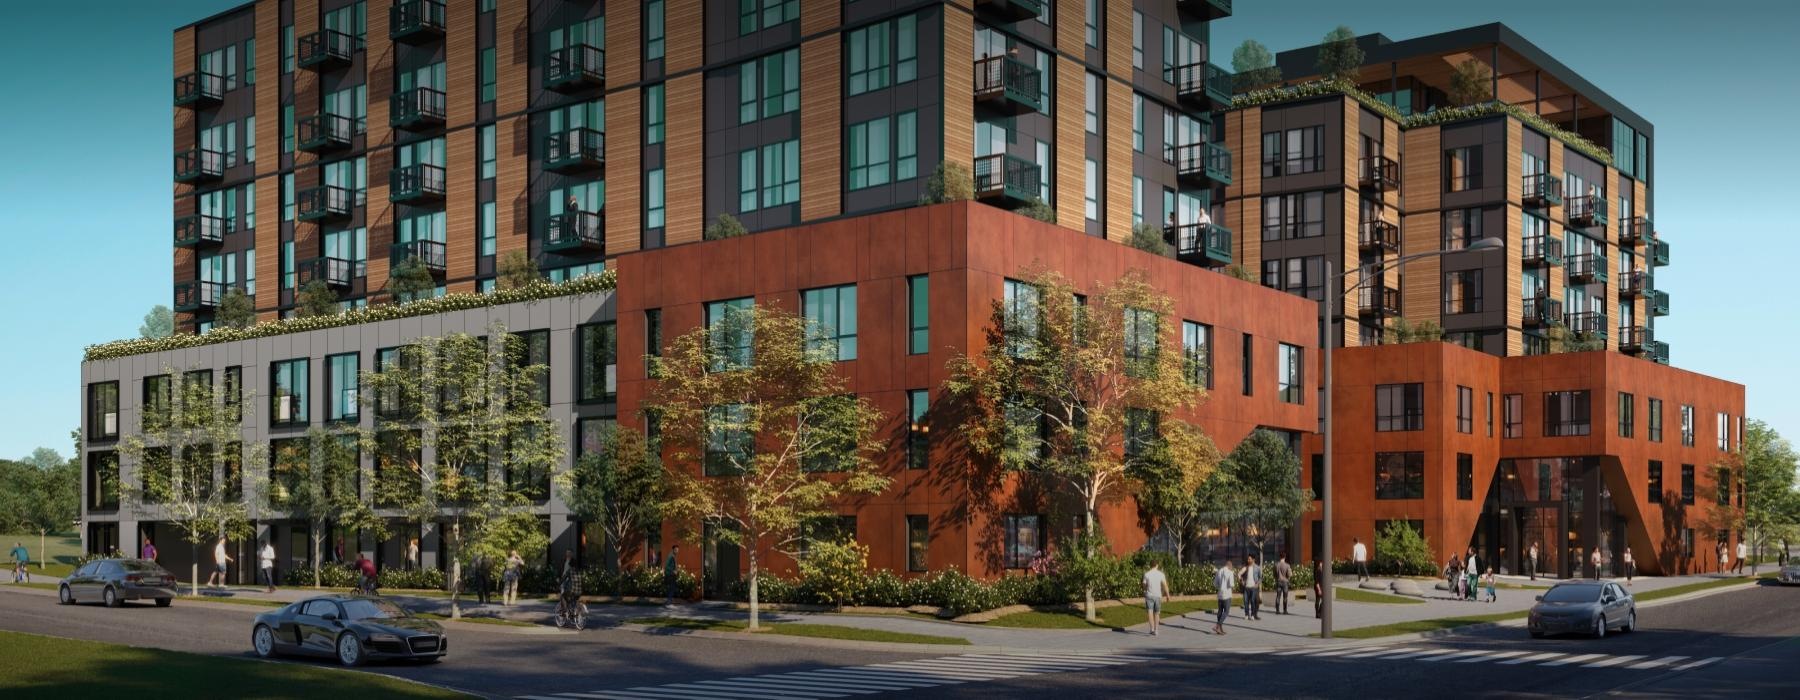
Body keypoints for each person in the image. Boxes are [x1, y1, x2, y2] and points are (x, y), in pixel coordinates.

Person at [1141, 560, 1170, 636]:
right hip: (1158, 596)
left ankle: (1152, 629)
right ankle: (1156, 630)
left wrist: (1145, 590)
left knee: (1150, 612)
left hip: (1149, 595)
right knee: (1157, 613)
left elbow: (1143, 585)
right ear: (1157, 565)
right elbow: (1165, 585)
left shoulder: (1147, 574)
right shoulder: (1161, 574)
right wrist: (1168, 595)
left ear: (1150, 565)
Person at [1212, 559, 1235, 635]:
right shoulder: (1230, 572)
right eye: (1232, 566)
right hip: (1227, 594)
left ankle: (1220, 629)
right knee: (1226, 612)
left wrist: (1220, 586)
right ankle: (1217, 625)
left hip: (1220, 594)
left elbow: (1215, 584)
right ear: (1230, 566)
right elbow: (1231, 584)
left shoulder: (1219, 571)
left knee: (1220, 611)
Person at [1242, 555, 1262, 621]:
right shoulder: (1246, 567)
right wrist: (1242, 581)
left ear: (1253, 560)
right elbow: (1240, 575)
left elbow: (1260, 578)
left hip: (1253, 587)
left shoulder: (1257, 567)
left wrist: (1257, 584)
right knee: (1245, 602)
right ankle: (1246, 615)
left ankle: (1253, 615)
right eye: (1248, 559)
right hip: (1246, 587)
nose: (1248, 560)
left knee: (1253, 601)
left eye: (1249, 559)